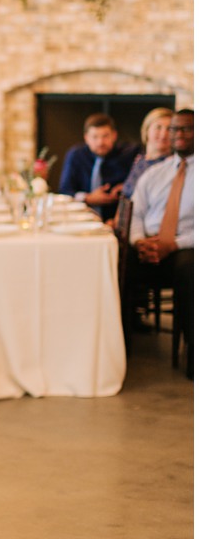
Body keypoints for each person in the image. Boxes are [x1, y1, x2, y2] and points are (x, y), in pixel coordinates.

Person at [124, 108, 193, 376]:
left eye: (186, 128)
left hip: (185, 248)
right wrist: (139, 241)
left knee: (190, 268)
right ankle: (119, 347)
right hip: (149, 246)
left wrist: (173, 244)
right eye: (175, 129)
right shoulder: (155, 173)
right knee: (115, 260)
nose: (178, 134)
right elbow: (136, 213)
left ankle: (192, 349)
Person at [58, 113, 137, 222]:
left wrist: (126, 186)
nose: (100, 142)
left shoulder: (129, 154)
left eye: (105, 136)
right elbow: (64, 191)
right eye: (95, 137)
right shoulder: (75, 155)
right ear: (86, 138)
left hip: (116, 219)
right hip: (80, 219)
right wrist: (88, 198)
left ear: (114, 135)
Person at [121, 107, 175, 199]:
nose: (163, 134)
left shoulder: (173, 165)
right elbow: (125, 197)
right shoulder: (139, 159)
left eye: (169, 129)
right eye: (158, 127)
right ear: (147, 130)